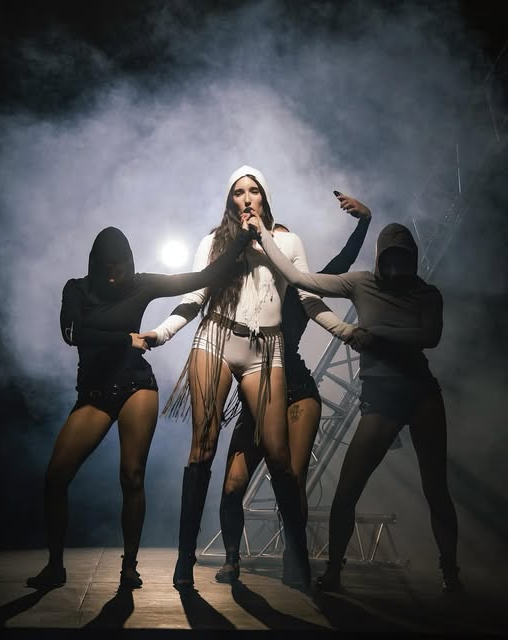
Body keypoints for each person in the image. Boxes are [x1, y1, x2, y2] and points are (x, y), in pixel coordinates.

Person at [139, 166, 355, 591]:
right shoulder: (213, 242)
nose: (246, 198)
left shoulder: (287, 242)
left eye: (253, 190)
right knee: (203, 447)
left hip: (266, 347)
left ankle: (298, 562)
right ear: (230, 200)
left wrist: (348, 332)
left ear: (264, 198)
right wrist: (161, 333)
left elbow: (309, 296)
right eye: (238, 192)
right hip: (216, 337)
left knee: (278, 455)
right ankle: (185, 559)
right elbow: (195, 297)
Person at [26, 224, 255, 590]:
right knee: (56, 477)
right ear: (95, 264)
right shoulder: (77, 289)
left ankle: (129, 566)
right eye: (106, 267)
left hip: (136, 386)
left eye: (119, 266)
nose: (113, 274)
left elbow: (205, 277)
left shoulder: (141, 284)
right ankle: (55, 566)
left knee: (132, 476)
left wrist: (242, 239)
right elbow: (72, 333)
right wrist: (124, 339)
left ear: (128, 263)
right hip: (95, 393)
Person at [245, 214, 463, 594]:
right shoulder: (361, 283)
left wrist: (374, 333)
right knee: (347, 490)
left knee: (436, 487)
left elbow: (429, 336)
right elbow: (300, 279)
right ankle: (333, 572)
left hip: (420, 392)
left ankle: (451, 571)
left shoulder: (427, 294)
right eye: (390, 257)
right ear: (380, 258)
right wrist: (263, 234)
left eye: (403, 258)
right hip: (381, 397)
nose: (396, 266)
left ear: (412, 258)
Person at [214, 194, 372, 586]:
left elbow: (341, 263)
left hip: (296, 390)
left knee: (294, 480)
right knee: (233, 483)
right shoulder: (244, 289)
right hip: (255, 397)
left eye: (283, 242)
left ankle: (295, 559)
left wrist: (364, 223)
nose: (277, 246)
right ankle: (232, 559)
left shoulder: (301, 292)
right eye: (271, 239)